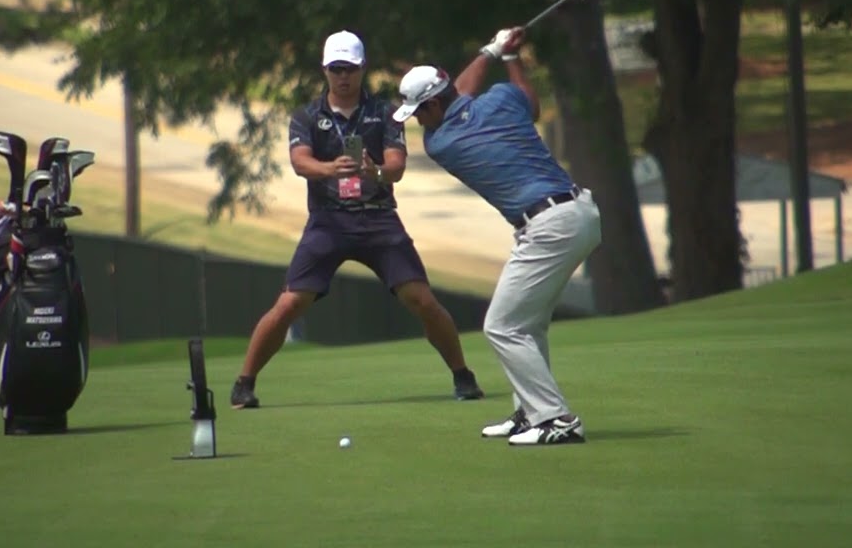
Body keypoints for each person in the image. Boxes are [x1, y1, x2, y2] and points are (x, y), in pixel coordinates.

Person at [230, 29, 485, 408]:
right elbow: (299, 162)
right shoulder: (307, 116)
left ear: (362, 68)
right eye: (336, 69)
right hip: (328, 222)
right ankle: (244, 383)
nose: (343, 77)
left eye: (349, 69)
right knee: (289, 304)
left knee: (423, 301)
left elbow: (396, 167)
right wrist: (329, 168)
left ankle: (463, 375)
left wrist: (373, 172)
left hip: (378, 218)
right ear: (325, 70)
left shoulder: (384, 113)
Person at [391, 27, 601, 446]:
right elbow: (528, 101)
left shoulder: (443, 142)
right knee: (529, 324)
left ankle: (556, 419)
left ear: (432, 106)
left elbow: (461, 91)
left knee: (502, 326)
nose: (416, 121)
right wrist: (507, 56)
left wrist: (490, 51)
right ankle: (530, 410)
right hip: (575, 213)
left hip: (549, 226)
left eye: (418, 111)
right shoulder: (502, 101)